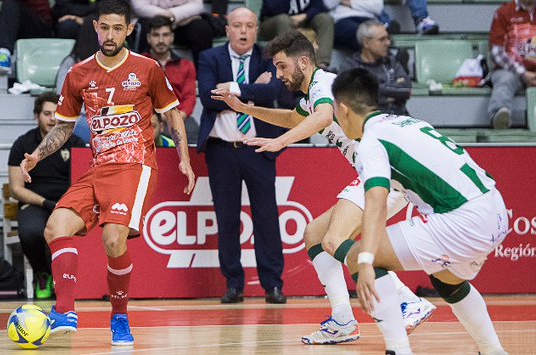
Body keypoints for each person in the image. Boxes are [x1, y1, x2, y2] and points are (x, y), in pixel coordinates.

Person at [211, 30, 435, 344]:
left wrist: (280, 143)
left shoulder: (323, 85)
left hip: (387, 172)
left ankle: (405, 300)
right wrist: (244, 108)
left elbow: (323, 116)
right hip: (379, 172)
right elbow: (293, 118)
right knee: (315, 236)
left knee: (334, 239)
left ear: (303, 61)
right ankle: (343, 319)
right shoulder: (314, 92)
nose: (279, 75)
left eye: (282, 67)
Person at [20, 0, 195, 345]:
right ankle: (65, 311)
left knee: (112, 239)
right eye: (105, 27)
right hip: (98, 168)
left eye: (118, 28)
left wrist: (184, 159)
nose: (111, 34)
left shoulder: (147, 69)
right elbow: (63, 128)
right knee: (56, 227)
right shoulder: (78, 74)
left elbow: (173, 115)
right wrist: (37, 155)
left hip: (136, 165)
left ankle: (119, 318)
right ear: (95, 28)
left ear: (129, 30)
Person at [333, 68, 509, 355]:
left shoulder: (370, 141)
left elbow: (376, 200)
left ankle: (398, 350)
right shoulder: (406, 122)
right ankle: (493, 351)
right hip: (496, 209)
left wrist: (365, 260)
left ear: (343, 109)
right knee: (446, 280)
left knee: (360, 255)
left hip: (464, 219)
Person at [198, 7, 292, 305]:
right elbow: (208, 97)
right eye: (237, 25)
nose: (242, 31)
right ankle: (234, 284)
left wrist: (236, 89)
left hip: (258, 147)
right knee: (226, 219)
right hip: (221, 150)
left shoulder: (269, 58)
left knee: (266, 217)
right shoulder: (210, 58)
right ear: (227, 30)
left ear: (256, 30)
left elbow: (273, 93)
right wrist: (253, 91)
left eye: (249, 26)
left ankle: (273, 285)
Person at [8, 93, 86, 299]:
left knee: (76, 232)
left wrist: (66, 202)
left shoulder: (77, 142)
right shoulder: (23, 144)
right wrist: (46, 202)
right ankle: (43, 273)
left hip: (68, 202)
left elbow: (84, 179)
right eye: (46, 113)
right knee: (31, 232)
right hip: (36, 202)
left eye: (56, 113)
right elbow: (16, 188)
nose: (52, 118)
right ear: (36, 116)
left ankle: (68, 281)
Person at [142, 15, 199, 144]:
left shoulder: (186, 65)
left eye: (165, 35)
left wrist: (177, 117)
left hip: (180, 117)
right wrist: (157, 116)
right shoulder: (139, 64)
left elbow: (189, 97)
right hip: (149, 118)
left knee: (194, 134)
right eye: (156, 35)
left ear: (172, 37)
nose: (161, 40)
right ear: (148, 38)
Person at [338, 20, 411, 115]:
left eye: (388, 38)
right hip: (368, 120)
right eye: (382, 39)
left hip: (399, 117)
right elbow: (355, 100)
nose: (388, 43)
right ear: (366, 43)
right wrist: (391, 90)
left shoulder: (391, 62)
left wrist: (371, 88)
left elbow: (406, 90)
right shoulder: (350, 67)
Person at [487, 0, 536, 129]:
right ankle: (499, 114)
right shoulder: (504, 12)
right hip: (511, 70)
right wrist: (522, 72)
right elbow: (496, 51)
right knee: (504, 80)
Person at [130, 0, 213, 67]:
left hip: (182, 21)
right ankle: (141, 73)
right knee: (146, 27)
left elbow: (197, 5)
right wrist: (169, 16)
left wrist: (174, 15)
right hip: (151, 19)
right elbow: (139, 7)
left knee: (201, 29)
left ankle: (202, 76)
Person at [258, 0, 334, 69]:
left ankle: (321, 64)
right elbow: (272, 8)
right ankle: (293, 63)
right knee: (283, 20)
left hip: (302, 18)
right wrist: (291, 19)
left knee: (325, 19)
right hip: (273, 21)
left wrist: (305, 15)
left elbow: (320, 6)